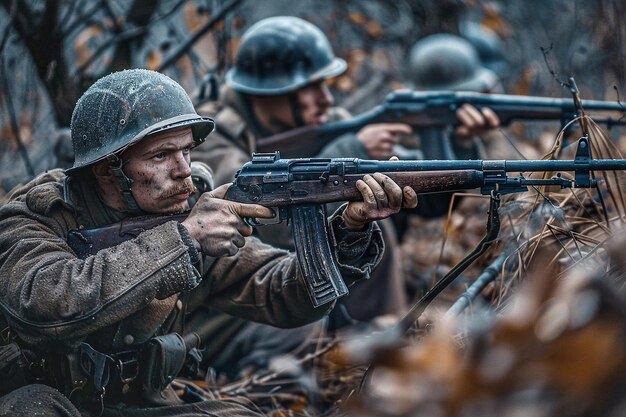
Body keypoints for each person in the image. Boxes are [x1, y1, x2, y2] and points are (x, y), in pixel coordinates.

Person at [0, 68, 417, 416]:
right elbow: (45, 303)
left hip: (139, 403)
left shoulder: (180, 211)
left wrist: (348, 230)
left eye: (186, 151)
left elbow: (281, 292)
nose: (185, 170)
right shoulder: (36, 215)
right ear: (110, 169)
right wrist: (184, 240)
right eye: (162, 155)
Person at [192, 17, 498, 337]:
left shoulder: (331, 122)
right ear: (267, 92)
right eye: (310, 88)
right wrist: (353, 147)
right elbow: (264, 230)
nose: (326, 98)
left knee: (373, 210)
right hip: (246, 309)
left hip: (322, 294)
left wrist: (460, 143)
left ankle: (381, 338)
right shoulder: (212, 139)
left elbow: (425, 199)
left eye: (325, 84)